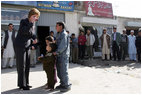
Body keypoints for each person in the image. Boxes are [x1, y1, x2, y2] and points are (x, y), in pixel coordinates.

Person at [14, 8, 40, 90]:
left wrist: (35, 38)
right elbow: (24, 31)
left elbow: (31, 34)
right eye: (35, 17)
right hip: (20, 45)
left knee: (27, 65)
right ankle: (22, 84)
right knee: (21, 65)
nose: (36, 19)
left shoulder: (32, 24)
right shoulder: (24, 21)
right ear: (32, 15)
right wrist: (31, 23)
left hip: (27, 46)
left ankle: (26, 83)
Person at [53, 21, 71, 92]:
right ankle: (62, 84)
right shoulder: (58, 34)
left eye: (57, 26)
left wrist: (57, 52)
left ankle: (67, 85)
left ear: (61, 26)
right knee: (60, 71)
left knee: (63, 71)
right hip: (59, 55)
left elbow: (63, 46)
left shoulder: (64, 34)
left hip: (63, 55)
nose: (55, 27)